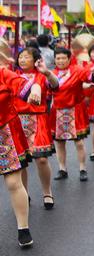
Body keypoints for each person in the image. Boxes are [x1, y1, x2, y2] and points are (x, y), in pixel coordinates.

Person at [0, 53, 39, 247]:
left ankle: (23, 228)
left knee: (13, 182)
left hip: (5, 133)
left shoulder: (3, 74)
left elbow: (28, 84)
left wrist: (36, 89)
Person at [15, 47, 59, 209]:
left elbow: (55, 85)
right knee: (22, 162)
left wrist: (47, 72)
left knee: (41, 159)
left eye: (26, 57)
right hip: (18, 120)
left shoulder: (42, 76)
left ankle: (47, 192)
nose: (22, 60)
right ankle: (23, 193)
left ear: (35, 60)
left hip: (38, 119)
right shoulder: (14, 76)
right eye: (20, 57)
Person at [50, 47, 94, 182]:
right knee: (59, 143)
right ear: (54, 59)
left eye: (63, 58)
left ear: (69, 58)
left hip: (75, 110)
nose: (60, 61)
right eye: (58, 58)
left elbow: (89, 77)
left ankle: (82, 168)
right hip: (58, 110)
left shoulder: (77, 70)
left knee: (79, 143)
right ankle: (62, 169)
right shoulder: (52, 74)